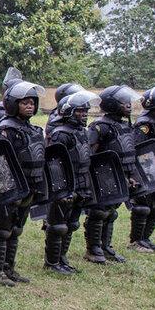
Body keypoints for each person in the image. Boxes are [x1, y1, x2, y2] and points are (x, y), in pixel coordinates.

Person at [0, 81, 48, 286]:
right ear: (13, 104)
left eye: (32, 103)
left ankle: (8, 267)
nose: (30, 106)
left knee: (16, 229)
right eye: (24, 103)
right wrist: (8, 191)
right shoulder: (6, 128)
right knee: (2, 229)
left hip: (29, 186)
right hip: (11, 188)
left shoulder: (32, 129)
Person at [84, 85, 144, 264]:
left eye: (128, 101)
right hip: (104, 175)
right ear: (111, 103)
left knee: (111, 213)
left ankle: (105, 246)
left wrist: (132, 174)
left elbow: (129, 152)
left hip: (122, 175)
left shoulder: (125, 125)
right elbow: (90, 153)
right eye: (123, 102)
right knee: (99, 212)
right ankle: (93, 249)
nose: (128, 105)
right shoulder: (100, 126)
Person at [43, 90, 100, 274]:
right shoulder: (61, 134)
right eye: (79, 111)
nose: (84, 114)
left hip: (81, 183)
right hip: (65, 185)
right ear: (68, 111)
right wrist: (61, 190)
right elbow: (53, 164)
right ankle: (52, 262)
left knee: (72, 224)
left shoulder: (82, 132)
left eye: (85, 111)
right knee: (58, 225)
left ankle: (62, 258)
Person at [129, 86, 155, 252]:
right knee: (143, 205)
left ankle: (145, 238)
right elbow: (138, 148)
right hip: (144, 167)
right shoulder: (145, 123)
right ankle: (136, 241)